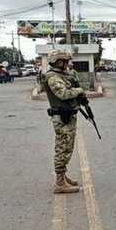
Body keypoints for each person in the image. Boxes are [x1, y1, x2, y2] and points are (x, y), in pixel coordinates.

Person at [40, 51, 87, 194]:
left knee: (67, 147)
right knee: (63, 147)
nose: (68, 64)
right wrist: (79, 90)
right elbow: (63, 94)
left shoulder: (63, 75)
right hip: (61, 117)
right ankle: (60, 183)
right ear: (58, 61)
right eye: (65, 61)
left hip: (67, 115)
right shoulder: (52, 77)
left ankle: (63, 177)